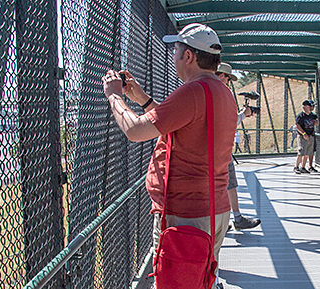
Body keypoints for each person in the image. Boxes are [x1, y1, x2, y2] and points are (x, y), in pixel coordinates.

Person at [101, 23, 234, 288]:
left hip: (186, 215)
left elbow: (136, 131)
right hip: (213, 209)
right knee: (199, 281)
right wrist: (143, 99)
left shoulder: (192, 91)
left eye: (176, 51)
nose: (174, 58)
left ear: (188, 57)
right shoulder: (221, 92)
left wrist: (114, 96)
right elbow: (186, 124)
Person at [215, 62, 261, 230]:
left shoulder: (207, 91)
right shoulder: (219, 93)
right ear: (221, 75)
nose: (228, 83)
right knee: (227, 184)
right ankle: (233, 219)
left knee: (223, 185)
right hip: (219, 150)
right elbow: (227, 122)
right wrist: (242, 115)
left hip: (216, 149)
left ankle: (223, 220)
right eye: (227, 78)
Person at [294, 100, 318, 174]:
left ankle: (303, 167)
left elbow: (316, 122)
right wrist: (303, 133)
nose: (309, 108)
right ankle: (296, 167)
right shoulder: (301, 116)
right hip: (303, 136)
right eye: (307, 106)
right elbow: (297, 126)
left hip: (310, 135)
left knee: (307, 152)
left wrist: (315, 122)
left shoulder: (312, 115)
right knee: (301, 151)